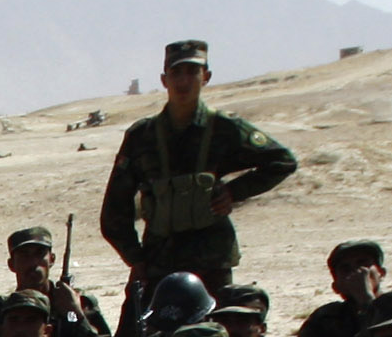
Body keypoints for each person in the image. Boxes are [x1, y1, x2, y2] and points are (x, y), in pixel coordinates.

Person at [98, 38, 299, 296]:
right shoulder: (142, 136)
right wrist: (135, 258)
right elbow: (115, 209)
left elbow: (282, 161)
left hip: (211, 263)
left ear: (206, 77)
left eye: (192, 71)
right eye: (176, 73)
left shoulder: (224, 128)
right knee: (135, 324)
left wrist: (233, 192)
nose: (184, 81)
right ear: (164, 80)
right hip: (159, 262)